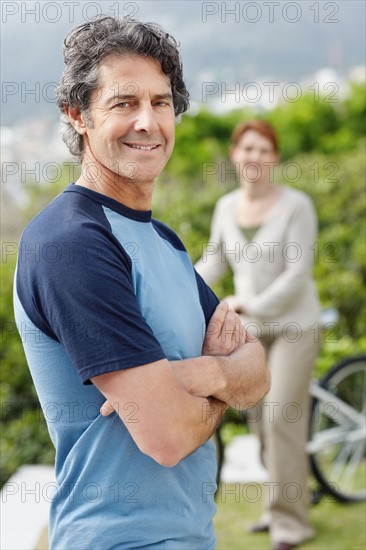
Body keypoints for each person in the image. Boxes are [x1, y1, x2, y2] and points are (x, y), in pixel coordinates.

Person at [13, 17, 270, 550]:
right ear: (77, 115)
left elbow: (258, 372)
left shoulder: (165, 242)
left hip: (191, 535)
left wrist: (195, 373)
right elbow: (169, 437)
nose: (148, 122)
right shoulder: (71, 244)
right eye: (124, 103)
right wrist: (223, 383)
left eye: (161, 102)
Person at [196, 120, 321, 550]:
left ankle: (292, 524)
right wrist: (177, 291)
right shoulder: (226, 208)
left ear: (275, 158)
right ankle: (277, 505)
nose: (255, 157)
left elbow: (297, 276)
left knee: (280, 415)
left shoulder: (296, 206)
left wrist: (248, 305)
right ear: (235, 154)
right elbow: (212, 264)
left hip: (294, 327)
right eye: (248, 148)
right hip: (251, 335)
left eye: (264, 150)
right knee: (261, 427)